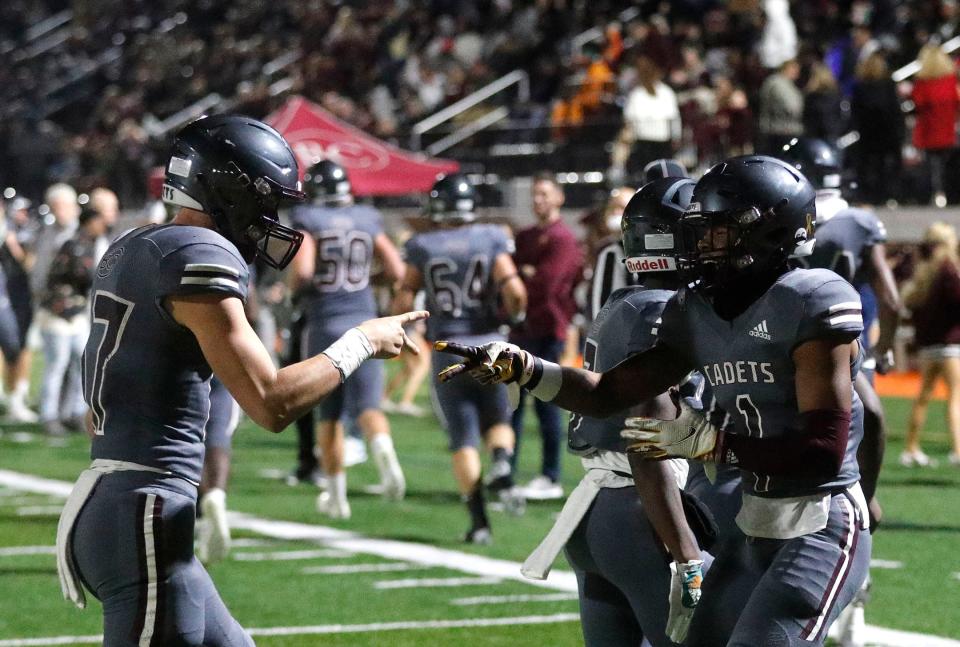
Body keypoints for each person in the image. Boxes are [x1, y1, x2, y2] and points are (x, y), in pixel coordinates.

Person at [441, 155, 871, 646]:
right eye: (700, 229)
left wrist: (714, 445)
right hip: (755, 517)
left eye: (718, 230)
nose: (702, 243)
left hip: (821, 516)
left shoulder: (809, 299)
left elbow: (822, 453)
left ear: (769, 233)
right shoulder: (698, 311)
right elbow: (608, 393)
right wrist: (527, 368)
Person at [54, 115, 427, 646]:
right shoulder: (197, 254)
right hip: (145, 513)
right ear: (229, 189)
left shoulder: (135, 245)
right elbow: (270, 402)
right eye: (266, 199)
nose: (271, 216)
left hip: (130, 502)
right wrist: (361, 341)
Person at [519, 177, 710, 646]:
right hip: (644, 510)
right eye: (705, 233)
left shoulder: (625, 302)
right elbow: (648, 438)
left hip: (596, 514)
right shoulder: (670, 313)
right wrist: (686, 552)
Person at [393, 173, 527, 544]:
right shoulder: (491, 237)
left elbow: (405, 296)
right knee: (498, 418)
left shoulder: (423, 244)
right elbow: (514, 289)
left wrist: (402, 331)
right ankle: (501, 461)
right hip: (491, 342)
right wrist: (514, 319)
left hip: (448, 347)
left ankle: (479, 521)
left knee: (463, 436)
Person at [289, 159, 407, 518]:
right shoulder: (366, 218)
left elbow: (303, 272)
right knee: (369, 406)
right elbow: (397, 270)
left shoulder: (308, 219)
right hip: (365, 320)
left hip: (326, 322)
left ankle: (337, 496)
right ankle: (384, 452)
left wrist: (295, 290)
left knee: (331, 414)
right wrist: (367, 283)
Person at [511, 173, 583, 500]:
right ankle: (505, 471)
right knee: (511, 404)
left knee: (546, 405)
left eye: (544, 193)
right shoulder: (526, 236)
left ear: (559, 198)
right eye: (535, 194)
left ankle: (550, 475)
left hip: (547, 329)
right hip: (521, 328)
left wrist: (524, 276)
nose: (537, 199)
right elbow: (510, 274)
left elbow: (547, 283)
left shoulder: (562, 238)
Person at [40, 206, 108, 435]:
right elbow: (84, 275)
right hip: (59, 313)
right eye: (98, 221)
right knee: (56, 366)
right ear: (89, 222)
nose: (102, 226)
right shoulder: (75, 245)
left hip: (76, 313)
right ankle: (49, 415)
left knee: (82, 365)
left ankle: (75, 412)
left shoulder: (91, 243)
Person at [903, 222, 960, 467]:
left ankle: (911, 448)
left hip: (928, 346)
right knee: (955, 398)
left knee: (923, 397)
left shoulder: (924, 272)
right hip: (950, 345)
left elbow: (913, 307)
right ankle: (959, 451)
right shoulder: (949, 271)